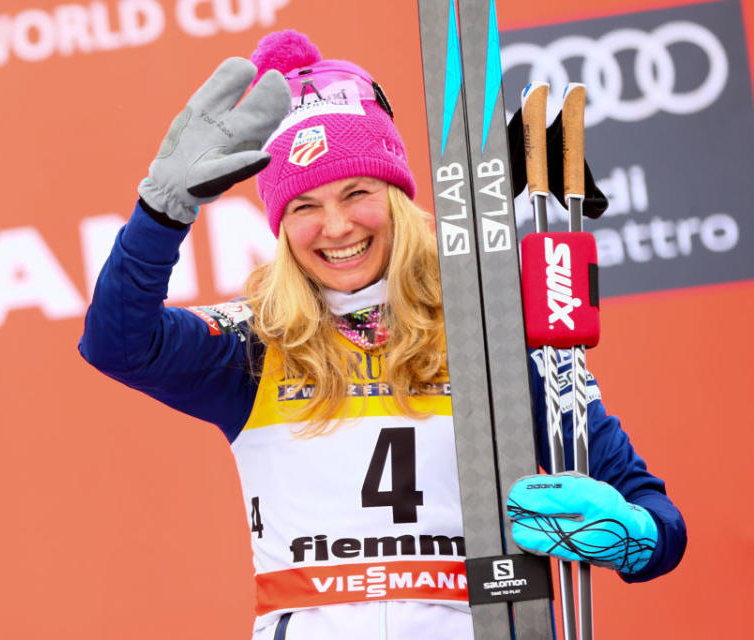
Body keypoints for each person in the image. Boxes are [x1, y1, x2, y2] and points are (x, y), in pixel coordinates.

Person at [79, 30, 686, 640]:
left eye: (357, 192)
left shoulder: (492, 332)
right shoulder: (257, 342)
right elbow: (118, 343)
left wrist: (628, 536)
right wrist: (161, 214)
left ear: (396, 197)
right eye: (304, 206)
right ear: (280, 224)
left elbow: (659, 520)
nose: (336, 226)